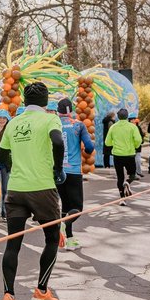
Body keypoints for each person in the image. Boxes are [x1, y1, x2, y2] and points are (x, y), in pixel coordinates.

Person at [0, 82, 66, 300]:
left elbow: (0, 157)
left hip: (15, 189)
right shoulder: (49, 120)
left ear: (25, 101)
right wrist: (57, 169)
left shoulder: (13, 122)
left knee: (13, 245)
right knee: (52, 238)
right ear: (46, 101)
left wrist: (16, 168)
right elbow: (57, 142)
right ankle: (42, 290)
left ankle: (8, 296)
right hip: (43, 188)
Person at [56, 99, 94, 250]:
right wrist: (86, 152)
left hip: (58, 172)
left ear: (58, 110)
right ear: (70, 109)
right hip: (73, 171)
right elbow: (89, 146)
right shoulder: (78, 124)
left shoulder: (54, 124)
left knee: (65, 207)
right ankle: (63, 225)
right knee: (77, 208)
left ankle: (69, 240)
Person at [105, 109, 142, 206]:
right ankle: (128, 182)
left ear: (118, 116)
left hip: (117, 155)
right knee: (133, 174)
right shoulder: (132, 127)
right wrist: (135, 146)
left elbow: (107, 142)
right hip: (130, 155)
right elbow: (138, 140)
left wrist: (115, 144)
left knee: (120, 177)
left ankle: (122, 199)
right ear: (127, 117)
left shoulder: (113, 127)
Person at [0, 109, 12, 222]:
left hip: (6, 163)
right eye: (0, 117)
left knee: (6, 188)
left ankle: (5, 212)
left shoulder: (9, 130)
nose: (2, 120)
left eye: (4, 118)